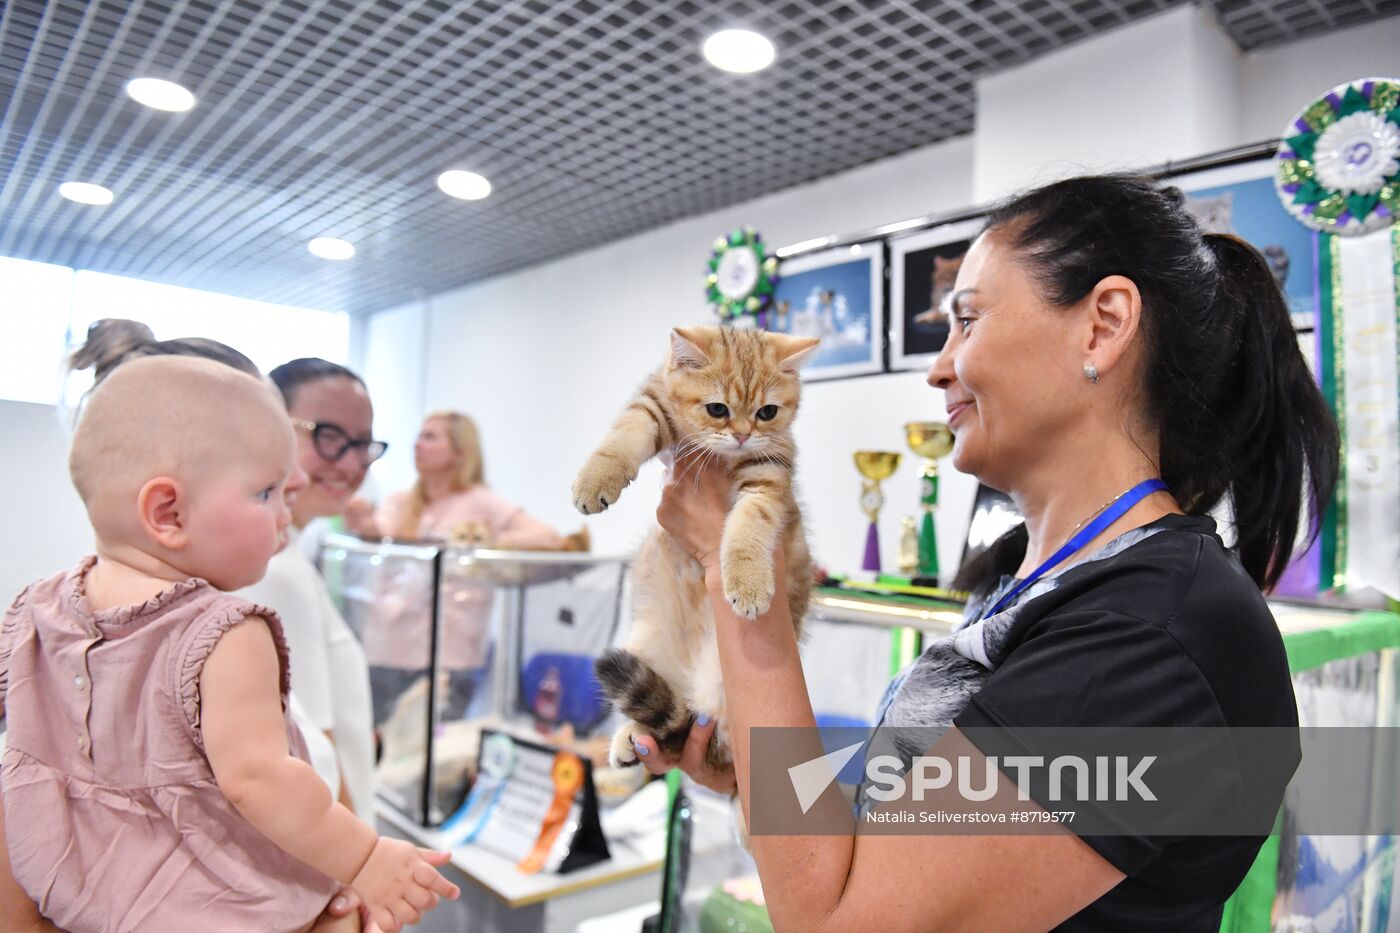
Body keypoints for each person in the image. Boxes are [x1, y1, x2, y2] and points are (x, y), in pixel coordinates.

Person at [632, 175, 1338, 930]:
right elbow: (867, 866)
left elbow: (835, 924)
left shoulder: (1149, 635)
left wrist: (741, 579)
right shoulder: (1038, 587)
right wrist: (752, 778)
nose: (939, 368)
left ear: (1103, 326)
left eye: (966, 321)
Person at [0, 357, 458, 932]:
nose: (284, 510)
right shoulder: (226, 630)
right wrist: (365, 857)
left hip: (73, 903)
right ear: (168, 512)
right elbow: (260, 779)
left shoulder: (36, 606)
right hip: (211, 910)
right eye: (265, 492)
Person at [346, 411, 564, 723]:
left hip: (450, 657)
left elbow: (548, 538)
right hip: (389, 650)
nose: (416, 444)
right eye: (419, 435)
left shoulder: (482, 503)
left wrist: (481, 539)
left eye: (430, 436)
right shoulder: (401, 501)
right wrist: (362, 520)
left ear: (459, 452)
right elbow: (377, 530)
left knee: (435, 752)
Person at [240, 358, 385, 825]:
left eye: (362, 444)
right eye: (328, 436)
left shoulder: (290, 554)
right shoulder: (276, 570)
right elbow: (311, 760)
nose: (351, 463)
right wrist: (363, 873)